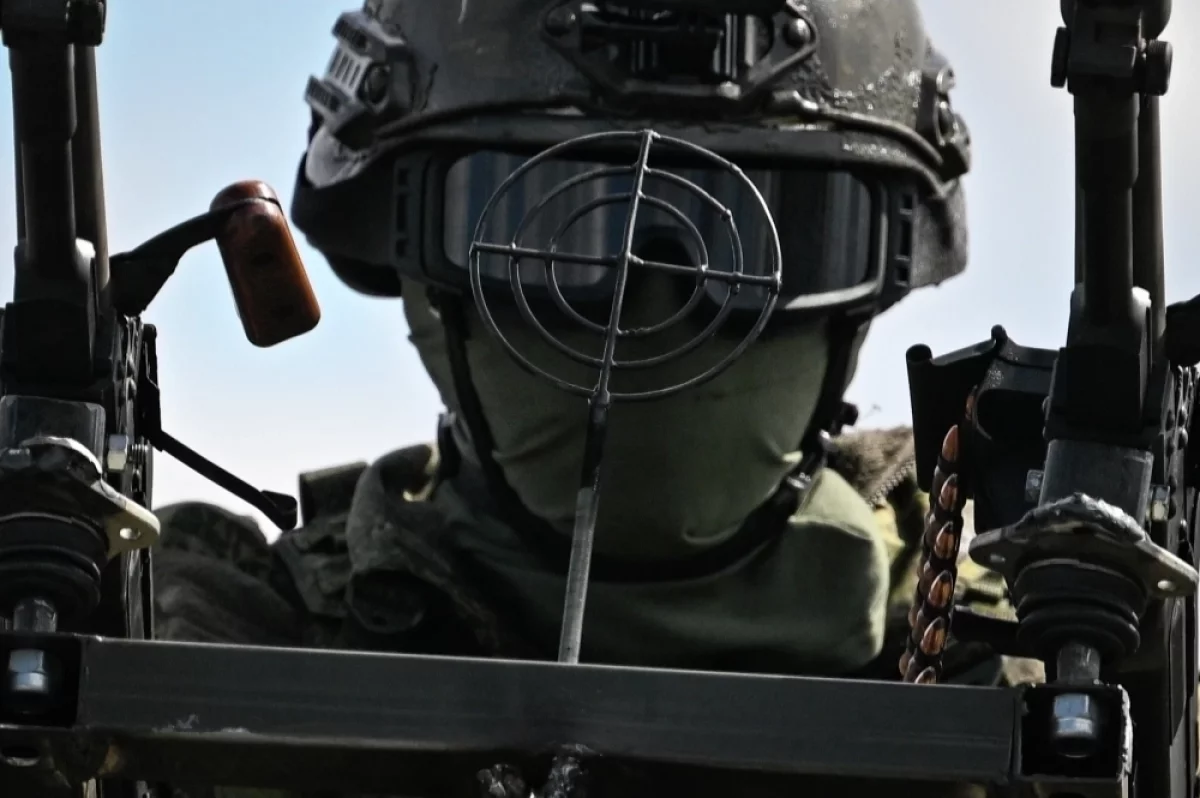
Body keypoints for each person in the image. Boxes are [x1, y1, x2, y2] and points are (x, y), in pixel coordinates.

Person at [152, 1, 1038, 795]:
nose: (646, 303)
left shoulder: (1026, 643)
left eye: (764, 231)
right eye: (546, 224)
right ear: (410, 263)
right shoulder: (204, 643)